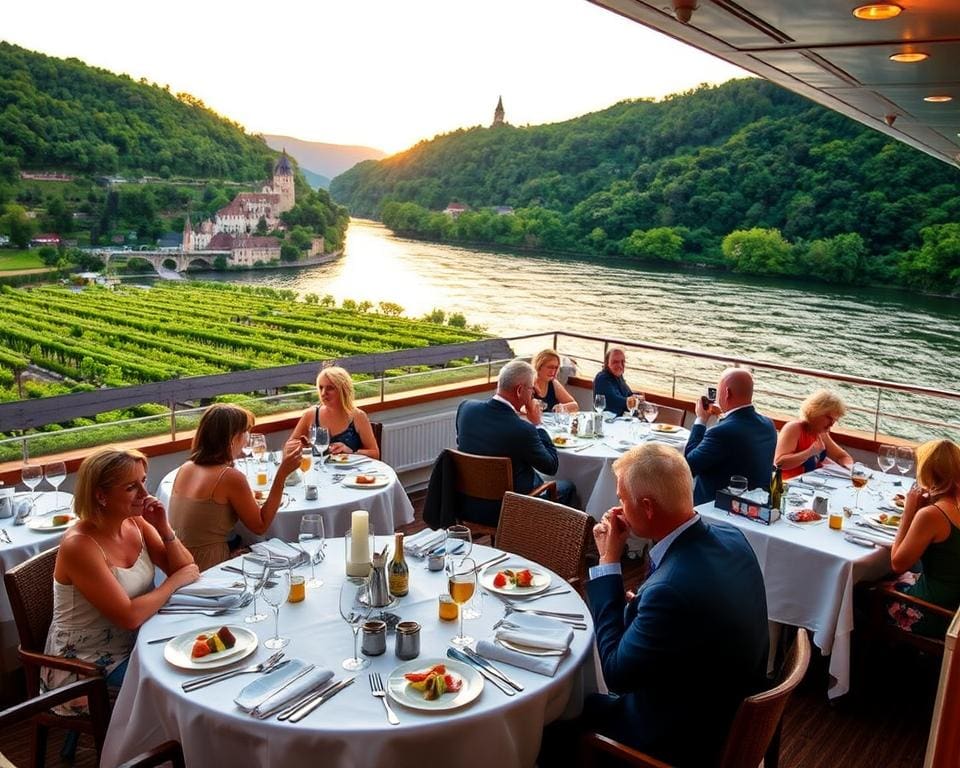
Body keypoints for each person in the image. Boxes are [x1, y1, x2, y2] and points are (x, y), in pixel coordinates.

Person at [584, 444, 769, 766]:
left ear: (647, 507)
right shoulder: (732, 536)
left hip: (684, 736)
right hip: (728, 700)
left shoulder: (670, 591)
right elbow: (690, 612)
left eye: (621, 499)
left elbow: (616, 673)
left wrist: (608, 560)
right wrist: (643, 608)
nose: (618, 508)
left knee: (560, 714)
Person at [42, 447, 200, 711]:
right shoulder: (80, 546)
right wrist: (173, 582)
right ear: (101, 496)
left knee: (201, 660)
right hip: (85, 666)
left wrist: (164, 527)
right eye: (131, 487)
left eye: (144, 481)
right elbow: (129, 616)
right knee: (182, 684)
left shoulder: (134, 523)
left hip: (139, 641)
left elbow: (187, 568)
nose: (144, 494)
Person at [169, 403, 302, 570]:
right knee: (287, 562)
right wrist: (282, 475)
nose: (248, 437)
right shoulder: (229, 477)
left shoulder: (186, 467)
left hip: (180, 562)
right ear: (232, 438)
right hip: (208, 568)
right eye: (245, 431)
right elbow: (260, 527)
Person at [455, 359, 576, 525]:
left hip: (466, 503)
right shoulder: (523, 430)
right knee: (568, 487)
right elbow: (551, 466)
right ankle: (545, 545)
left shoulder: (466, 408)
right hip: (507, 510)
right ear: (520, 390)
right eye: (532, 390)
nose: (533, 394)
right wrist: (537, 424)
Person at [888, 439, 960, 637]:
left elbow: (897, 563)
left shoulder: (933, 514)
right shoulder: (952, 507)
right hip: (955, 609)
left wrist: (909, 512)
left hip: (933, 612)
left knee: (862, 593)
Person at [684, 368, 777, 505]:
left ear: (727, 393)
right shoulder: (768, 425)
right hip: (757, 505)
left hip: (717, 508)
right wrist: (723, 417)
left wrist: (701, 420)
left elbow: (689, 466)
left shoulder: (721, 432)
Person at [291, 366, 380, 459]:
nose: (323, 393)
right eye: (321, 388)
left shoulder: (358, 416)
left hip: (351, 473)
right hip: (319, 472)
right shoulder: (311, 414)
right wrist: (303, 447)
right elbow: (290, 445)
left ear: (343, 390)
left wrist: (351, 452)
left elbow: (375, 454)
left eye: (330, 388)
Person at [775, 389, 853, 480]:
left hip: (812, 484)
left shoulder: (821, 433)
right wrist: (810, 452)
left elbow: (843, 457)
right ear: (814, 412)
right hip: (788, 485)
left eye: (835, 420)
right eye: (829, 418)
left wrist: (849, 469)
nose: (832, 424)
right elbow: (780, 463)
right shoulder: (794, 428)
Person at [593, 347, 642, 416]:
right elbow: (614, 401)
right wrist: (636, 402)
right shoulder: (602, 378)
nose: (620, 365)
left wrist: (638, 397)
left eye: (622, 362)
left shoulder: (618, 376)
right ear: (607, 363)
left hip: (621, 418)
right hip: (608, 421)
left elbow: (628, 394)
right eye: (615, 362)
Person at [531, 349, 578, 415]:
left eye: (556, 367)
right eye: (550, 367)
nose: (553, 371)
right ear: (539, 366)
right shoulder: (529, 384)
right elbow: (520, 410)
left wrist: (562, 407)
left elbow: (575, 405)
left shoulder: (553, 383)